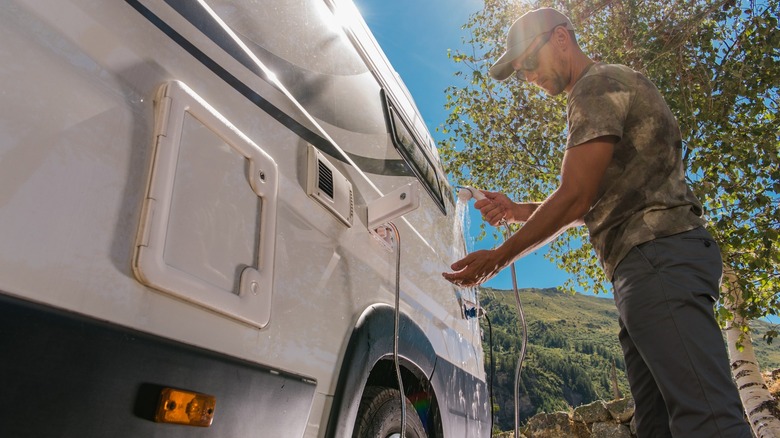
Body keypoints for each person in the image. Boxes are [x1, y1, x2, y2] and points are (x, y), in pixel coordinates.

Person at [441, 7, 752, 438]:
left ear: (562, 39)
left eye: (529, 62)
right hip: (645, 266)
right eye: (519, 72)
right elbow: (593, 201)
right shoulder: (602, 87)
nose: (528, 77)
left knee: (707, 419)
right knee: (657, 425)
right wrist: (517, 209)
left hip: (657, 258)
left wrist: (498, 258)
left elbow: (575, 196)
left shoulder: (596, 85)